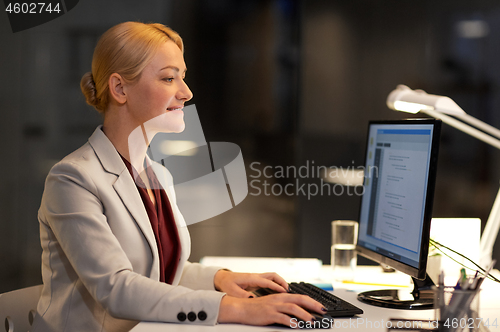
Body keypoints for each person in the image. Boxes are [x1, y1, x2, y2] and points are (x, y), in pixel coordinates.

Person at [32, 21, 325, 332]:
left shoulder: (156, 174)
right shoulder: (73, 178)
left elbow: (158, 274)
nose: (186, 93)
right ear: (120, 89)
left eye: (182, 78)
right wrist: (237, 308)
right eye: (169, 78)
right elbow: (116, 288)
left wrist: (220, 278)